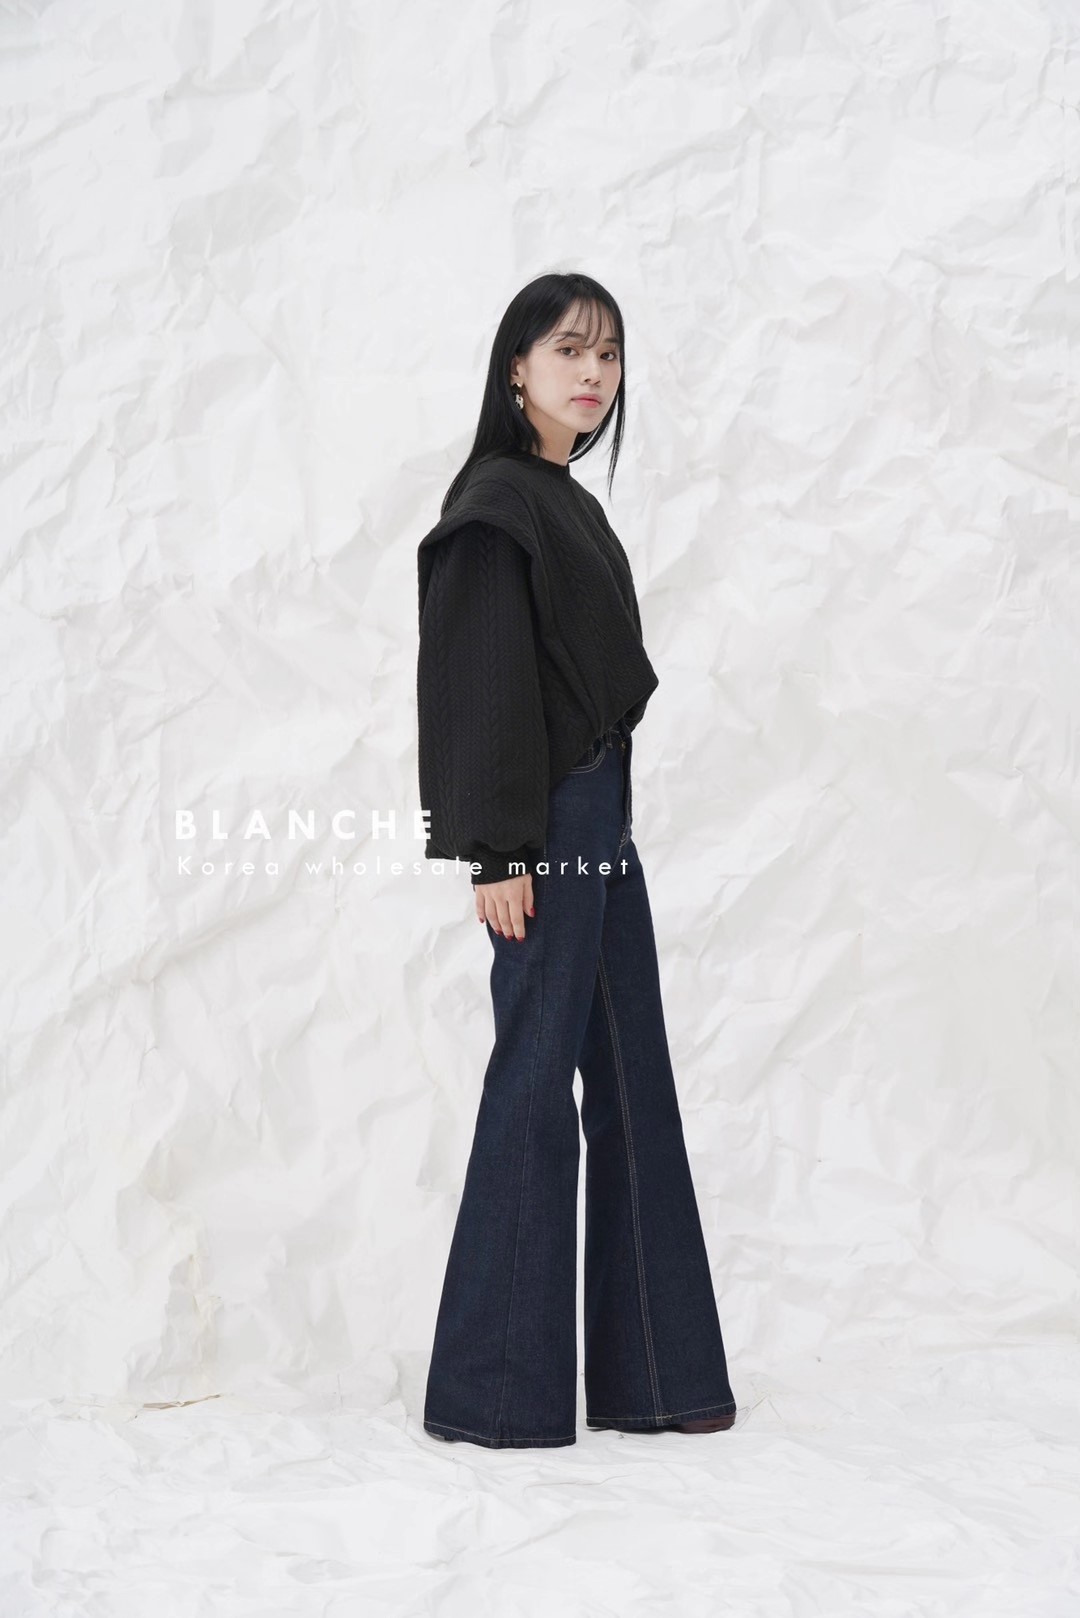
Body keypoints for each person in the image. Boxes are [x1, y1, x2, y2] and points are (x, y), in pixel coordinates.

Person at [415, 271, 737, 1448]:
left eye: (607, 353)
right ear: (517, 368)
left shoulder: (565, 500)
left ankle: (658, 1378)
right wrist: (498, 851)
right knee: (535, 1082)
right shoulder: (497, 504)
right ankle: (496, 1393)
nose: (593, 372)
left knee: (633, 1075)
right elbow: (478, 682)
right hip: (543, 829)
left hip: (599, 818)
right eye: (568, 350)